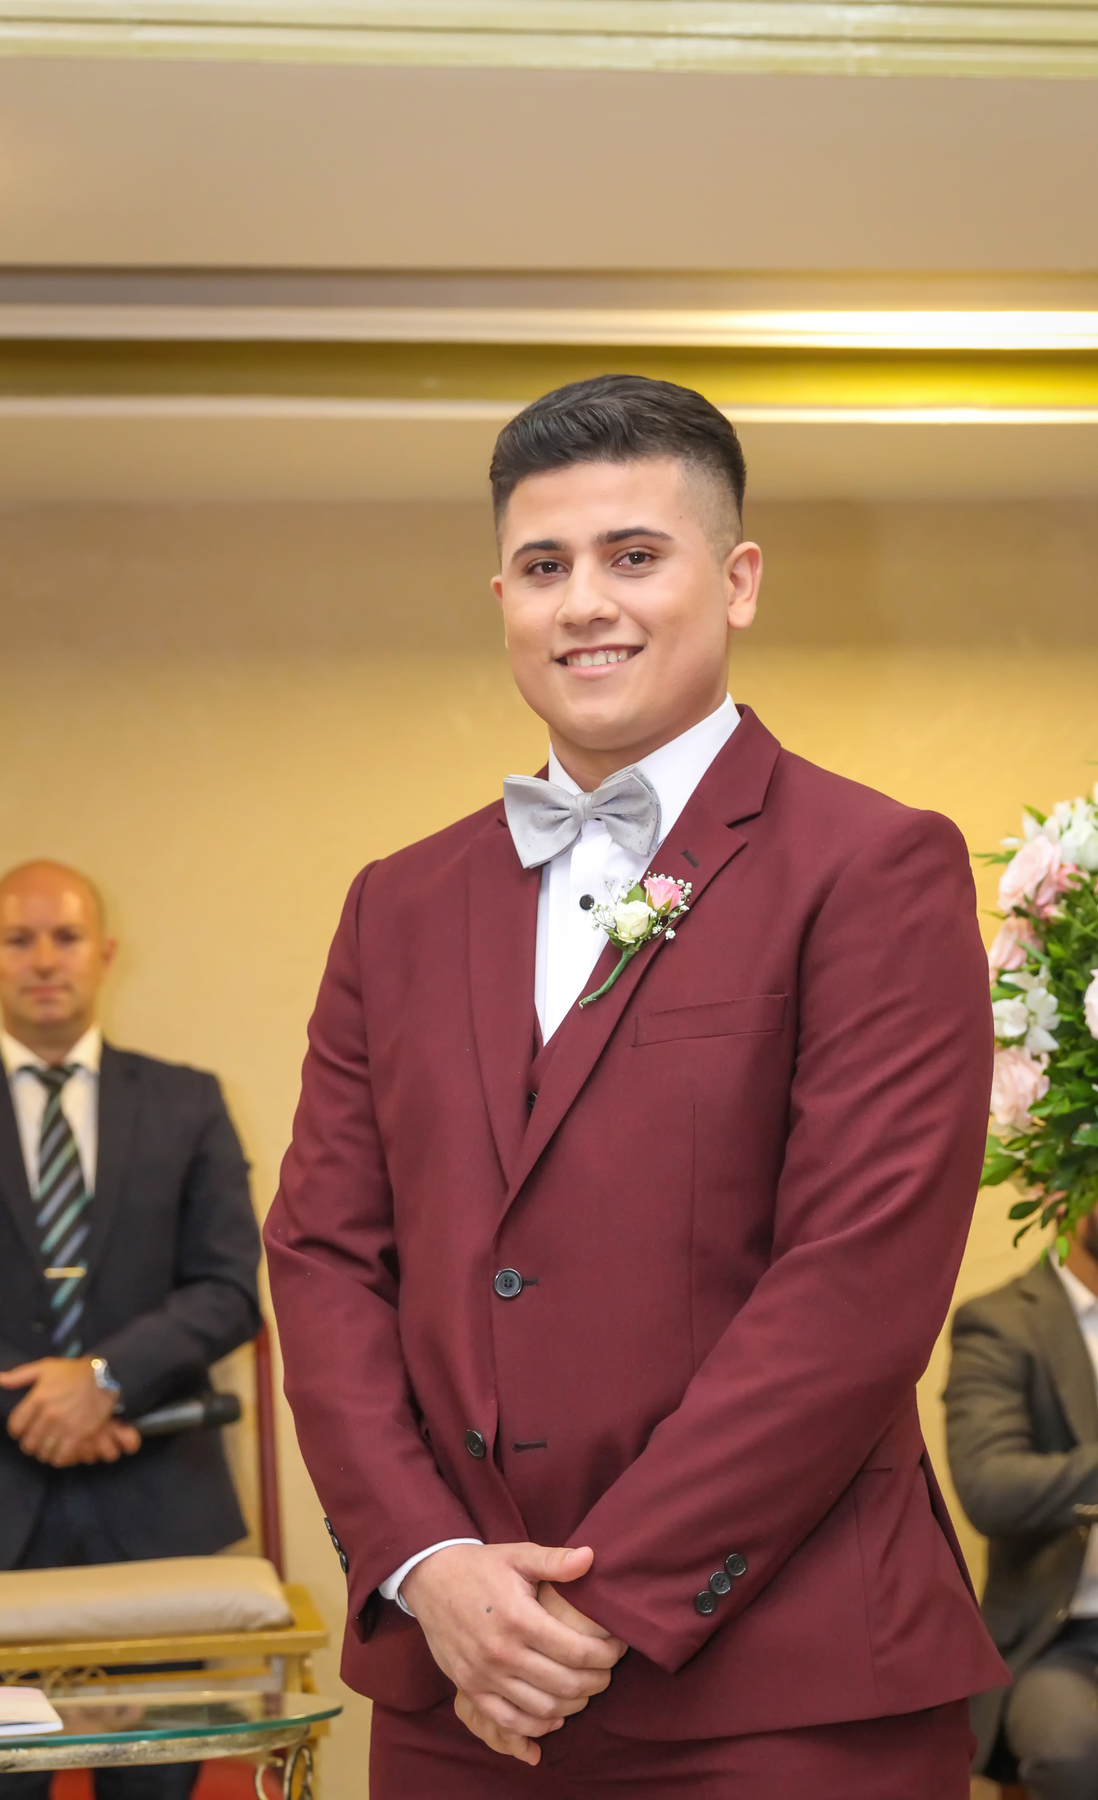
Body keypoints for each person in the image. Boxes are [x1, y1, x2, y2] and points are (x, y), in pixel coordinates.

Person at [265, 373, 1007, 1799]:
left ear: (737, 581)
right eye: (545, 567)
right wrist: (429, 1566)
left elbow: (856, 1283)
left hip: (781, 1697)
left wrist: (595, 1610)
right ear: (501, 598)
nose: (585, 604)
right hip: (461, 1695)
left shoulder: (875, 865)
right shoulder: (396, 904)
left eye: (634, 555)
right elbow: (323, 1259)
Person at [0, 860, 262, 1800]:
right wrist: (40, 1403)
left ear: (104, 954)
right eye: (17, 939)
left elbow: (229, 1291)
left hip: (159, 1504)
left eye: (65, 937)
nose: (44, 960)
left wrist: (103, 1381)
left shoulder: (189, 1103)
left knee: (152, 1785)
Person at [945, 1204, 1098, 1798]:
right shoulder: (1002, 1323)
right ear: (1068, 1198)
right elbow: (989, 1486)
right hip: (1067, 1640)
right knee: (1076, 1752)